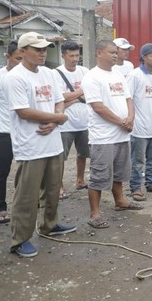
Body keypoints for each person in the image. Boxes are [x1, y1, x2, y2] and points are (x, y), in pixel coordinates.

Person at [4, 32, 76, 257]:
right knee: (27, 195)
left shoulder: (47, 73)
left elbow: (59, 101)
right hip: (31, 145)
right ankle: (20, 239)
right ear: (23, 51)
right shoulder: (15, 77)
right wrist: (57, 119)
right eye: (37, 49)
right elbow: (23, 111)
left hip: (52, 142)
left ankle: (49, 224)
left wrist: (57, 119)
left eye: (45, 49)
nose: (42, 53)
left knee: (53, 189)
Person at [82, 40, 142, 230]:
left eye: (116, 52)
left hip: (122, 134)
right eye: (111, 52)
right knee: (99, 175)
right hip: (103, 137)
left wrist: (131, 117)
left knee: (120, 172)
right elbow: (98, 107)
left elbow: (128, 98)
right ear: (99, 53)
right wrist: (121, 122)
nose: (116, 55)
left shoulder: (118, 74)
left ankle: (120, 201)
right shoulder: (91, 77)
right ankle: (95, 213)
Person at [127, 43, 152, 201]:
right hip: (139, 127)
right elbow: (128, 98)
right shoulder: (135, 75)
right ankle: (135, 187)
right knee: (137, 161)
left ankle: (151, 183)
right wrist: (131, 119)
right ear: (144, 57)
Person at [0, 40, 22, 224]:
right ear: (7, 57)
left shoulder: (27, 77)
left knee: (27, 170)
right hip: (3, 132)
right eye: (17, 58)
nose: (20, 62)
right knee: (2, 170)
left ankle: (26, 204)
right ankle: (0, 208)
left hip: (25, 131)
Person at [56, 41, 90, 197]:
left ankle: (80, 180)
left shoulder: (84, 71)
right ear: (63, 56)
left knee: (83, 153)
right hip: (65, 124)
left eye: (77, 55)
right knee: (61, 157)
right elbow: (59, 97)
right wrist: (80, 93)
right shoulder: (55, 73)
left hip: (85, 121)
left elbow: (91, 92)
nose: (75, 58)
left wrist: (72, 98)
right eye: (71, 55)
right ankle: (59, 186)